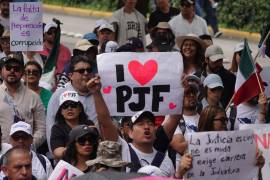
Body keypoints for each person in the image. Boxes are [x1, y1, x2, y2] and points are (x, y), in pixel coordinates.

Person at [86, 76, 181, 177]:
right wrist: (96, 93)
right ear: (130, 132)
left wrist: (181, 89)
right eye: (140, 124)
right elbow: (105, 122)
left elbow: (175, 116)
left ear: (155, 131)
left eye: (150, 123)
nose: (146, 127)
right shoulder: (123, 150)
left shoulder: (166, 162)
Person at [176, 105, 265, 179]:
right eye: (222, 120)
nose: (225, 124)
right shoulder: (192, 152)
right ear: (208, 121)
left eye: (226, 120)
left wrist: (258, 169)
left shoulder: (237, 151)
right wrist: (180, 173)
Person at [46, 55, 98, 152]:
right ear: (70, 76)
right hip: (66, 158)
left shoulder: (98, 94)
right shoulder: (59, 95)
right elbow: (50, 127)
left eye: (89, 70)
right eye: (81, 71)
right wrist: (56, 155)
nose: (86, 73)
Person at [0, 53, 45, 149]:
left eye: (16, 69)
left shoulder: (34, 97)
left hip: (26, 153)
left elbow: (41, 129)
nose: (12, 71)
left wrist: (30, 145)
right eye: (8, 67)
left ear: (22, 73)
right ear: (2, 71)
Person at [50, 91, 95, 160]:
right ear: (61, 111)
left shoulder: (89, 124)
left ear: (80, 109)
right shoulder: (57, 128)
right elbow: (57, 152)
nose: (69, 108)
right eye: (65, 106)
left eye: (73, 105)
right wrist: (78, 148)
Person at [170, 80, 200, 167]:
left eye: (193, 92)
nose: (191, 95)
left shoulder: (204, 117)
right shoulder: (173, 119)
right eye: (187, 93)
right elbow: (179, 147)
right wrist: (203, 140)